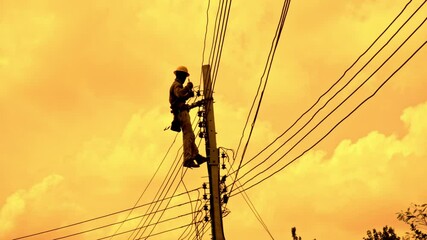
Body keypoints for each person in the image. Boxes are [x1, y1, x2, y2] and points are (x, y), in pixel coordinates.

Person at [169, 66, 208, 168]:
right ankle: (188, 159)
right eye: (184, 76)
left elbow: (181, 98)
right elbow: (179, 94)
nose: (185, 78)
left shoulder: (177, 85)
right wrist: (188, 87)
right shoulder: (176, 85)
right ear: (180, 76)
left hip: (182, 112)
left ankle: (195, 155)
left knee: (190, 135)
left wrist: (188, 95)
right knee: (188, 135)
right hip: (180, 113)